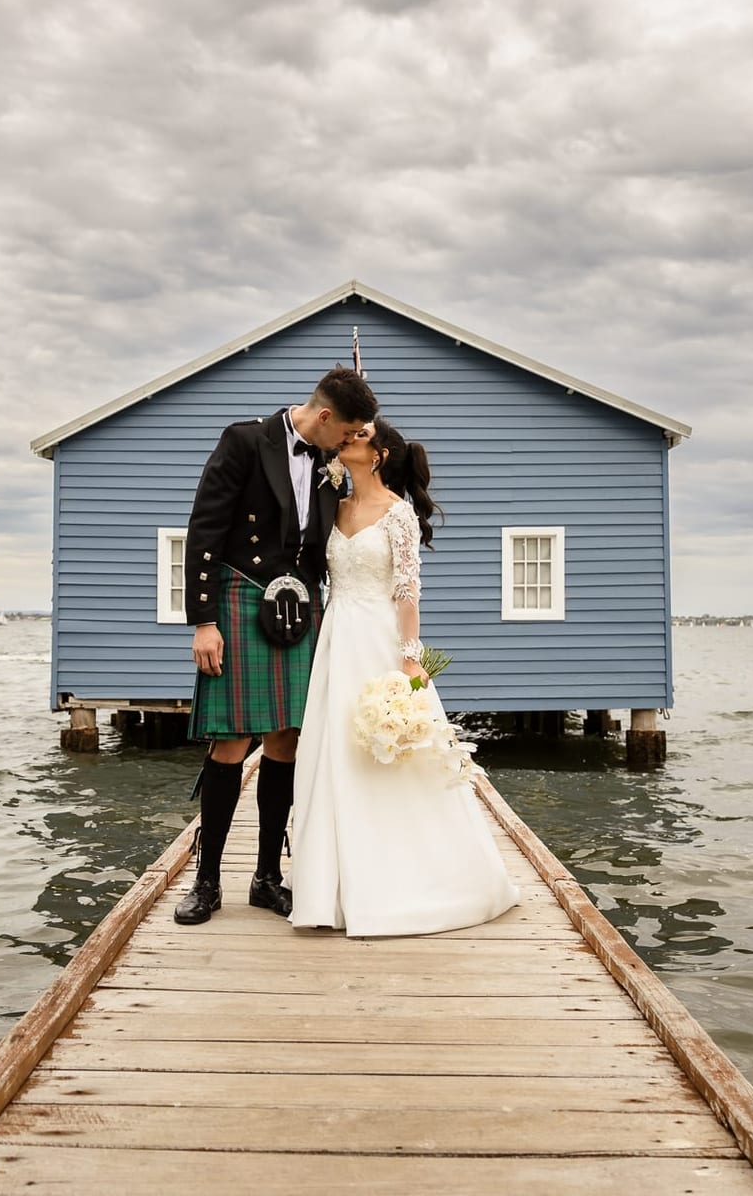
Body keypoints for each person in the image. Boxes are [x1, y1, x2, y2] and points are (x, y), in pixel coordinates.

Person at [287, 418, 521, 936]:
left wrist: (411, 661)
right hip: (334, 642)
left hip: (379, 642)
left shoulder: (398, 515)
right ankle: (331, 892)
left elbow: (406, 592)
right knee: (332, 754)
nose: (347, 438)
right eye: (347, 434)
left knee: (390, 754)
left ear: (380, 455)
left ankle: (413, 881)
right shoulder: (332, 506)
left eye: (360, 436)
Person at [175, 366, 379, 925]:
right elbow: (205, 529)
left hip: (300, 609)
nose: (346, 444)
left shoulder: (327, 464)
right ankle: (208, 881)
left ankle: (267, 877)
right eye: (346, 432)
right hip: (241, 599)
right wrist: (203, 621)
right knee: (231, 742)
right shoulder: (244, 441)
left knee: (286, 741)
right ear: (324, 416)